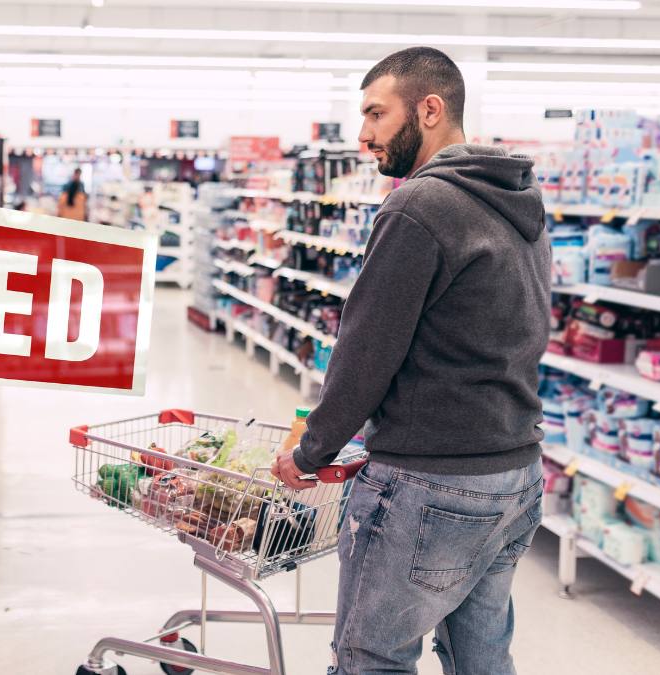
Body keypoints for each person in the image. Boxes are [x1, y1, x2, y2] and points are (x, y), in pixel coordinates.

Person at [270, 47, 550, 675]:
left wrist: (312, 451)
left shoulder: (420, 206)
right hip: (514, 474)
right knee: (480, 657)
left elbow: (366, 352)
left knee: (372, 657)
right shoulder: (520, 199)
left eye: (376, 113)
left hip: (430, 481)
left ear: (429, 109)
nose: (363, 134)